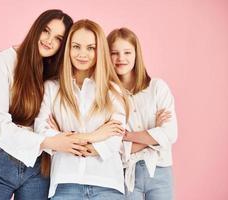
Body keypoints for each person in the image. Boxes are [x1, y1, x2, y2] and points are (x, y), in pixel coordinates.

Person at [0, 9, 88, 200]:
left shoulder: (51, 73)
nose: (49, 40)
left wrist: (54, 134)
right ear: (36, 28)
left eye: (58, 38)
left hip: (39, 164)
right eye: (46, 31)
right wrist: (48, 141)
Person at [34, 19, 130, 200]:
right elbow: (42, 132)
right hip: (65, 184)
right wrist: (95, 136)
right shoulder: (52, 88)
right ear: (68, 49)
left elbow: (113, 140)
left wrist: (63, 139)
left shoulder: (112, 90)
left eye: (91, 48)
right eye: (76, 46)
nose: (82, 54)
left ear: (99, 50)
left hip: (107, 184)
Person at [107, 27, 178, 200]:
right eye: (114, 52)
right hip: (126, 173)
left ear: (136, 54)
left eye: (127, 52)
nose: (121, 58)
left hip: (159, 170)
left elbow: (170, 134)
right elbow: (114, 147)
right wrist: (154, 135)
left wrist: (128, 136)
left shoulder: (157, 87)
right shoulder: (107, 94)